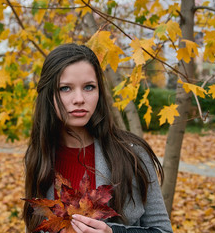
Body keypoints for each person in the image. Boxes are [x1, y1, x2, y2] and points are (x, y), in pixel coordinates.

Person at [23, 43, 173, 233]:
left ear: (99, 92)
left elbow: (163, 230)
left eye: (89, 87)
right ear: (49, 94)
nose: (79, 99)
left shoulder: (132, 152)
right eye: (65, 88)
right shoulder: (38, 157)